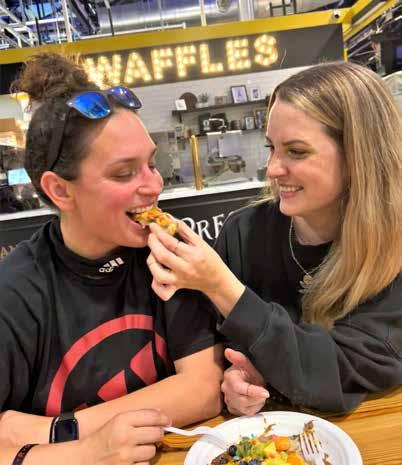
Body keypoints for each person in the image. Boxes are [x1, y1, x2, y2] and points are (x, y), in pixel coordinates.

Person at [0, 53, 223, 465]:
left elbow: (204, 387)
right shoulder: (15, 292)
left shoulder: (168, 253)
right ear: (60, 191)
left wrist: (56, 432)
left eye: (151, 164)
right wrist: (87, 453)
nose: (153, 185)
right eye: (124, 173)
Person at [146, 61, 402, 416]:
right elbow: (219, 351)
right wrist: (238, 377)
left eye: (296, 151)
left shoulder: (393, 247)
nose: (272, 169)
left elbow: (352, 367)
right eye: (271, 148)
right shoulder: (243, 232)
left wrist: (222, 287)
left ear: (359, 154)